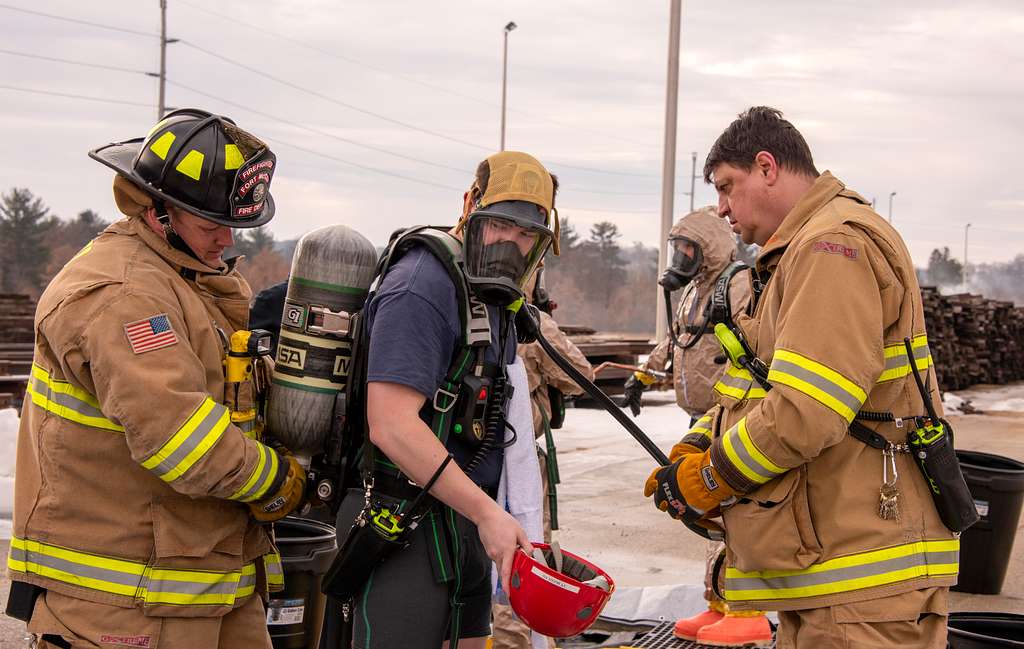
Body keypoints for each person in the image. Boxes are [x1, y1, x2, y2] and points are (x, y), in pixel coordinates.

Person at [643, 107, 956, 648]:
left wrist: (711, 478)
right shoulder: (799, 251)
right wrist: (696, 443)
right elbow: (760, 384)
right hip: (833, 573)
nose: (721, 209)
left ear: (767, 167)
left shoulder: (830, 248)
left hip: (859, 582)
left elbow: (804, 411)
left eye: (727, 186)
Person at [7, 109, 307, 648]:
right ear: (158, 210)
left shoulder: (188, 279)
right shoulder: (125, 296)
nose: (226, 237)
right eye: (210, 222)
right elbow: (180, 439)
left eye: (232, 221)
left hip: (204, 582)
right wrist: (278, 481)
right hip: (125, 599)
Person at [348, 151, 558, 649]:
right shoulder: (422, 287)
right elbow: (391, 424)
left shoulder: (494, 297)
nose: (512, 243)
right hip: (400, 529)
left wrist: (490, 517)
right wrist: (489, 514)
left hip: (465, 525)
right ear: (470, 206)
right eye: (500, 224)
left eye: (528, 234)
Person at [626, 207, 771, 646]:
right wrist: (646, 375)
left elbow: (758, 344)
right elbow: (677, 338)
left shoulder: (740, 283)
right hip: (702, 418)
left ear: (708, 246)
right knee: (711, 518)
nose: (681, 256)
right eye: (677, 248)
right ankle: (718, 602)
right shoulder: (694, 292)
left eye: (688, 247)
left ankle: (748, 610)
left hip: (733, 415)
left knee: (738, 515)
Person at [491, 265, 594, 649]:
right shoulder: (531, 323)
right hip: (518, 469)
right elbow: (582, 376)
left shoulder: (459, 308)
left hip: (461, 465)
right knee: (520, 566)